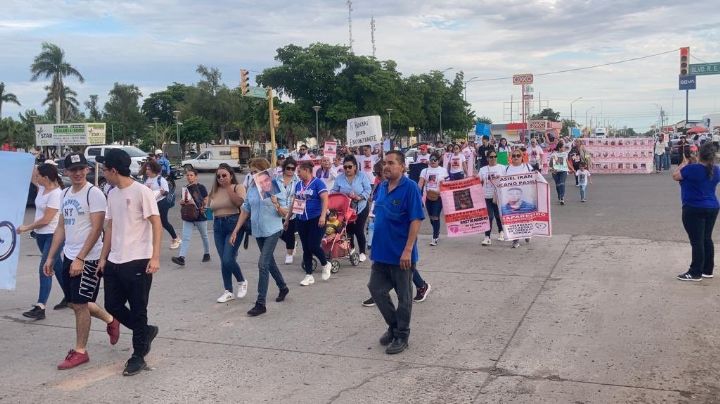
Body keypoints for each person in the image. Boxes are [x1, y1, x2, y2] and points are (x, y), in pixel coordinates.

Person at [42, 153, 120, 369]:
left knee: (79, 304)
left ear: (87, 170)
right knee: (76, 302)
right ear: (65, 172)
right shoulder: (65, 193)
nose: (77, 173)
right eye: (72, 169)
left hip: (89, 258)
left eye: (81, 169)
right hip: (69, 255)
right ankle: (111, 320)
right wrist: (50, 257)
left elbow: (97, 230)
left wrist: (80, 258)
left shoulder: (93, 194)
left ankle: (80, 351)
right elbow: (61, 227)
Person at [97, 148, 161, 377]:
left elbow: (156, 224)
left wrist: (155, 257)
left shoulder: (141, 191)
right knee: (112, 305)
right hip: (115, 259)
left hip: (138, 260)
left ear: (114, 170)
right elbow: (110, 227)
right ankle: (145, 331)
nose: (103, 173)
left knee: (138, 308)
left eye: (104, 169)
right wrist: (103, 257)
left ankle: (138, 355)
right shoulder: (112, 193)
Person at [368, 150, 425, 355]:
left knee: (404, 297)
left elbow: (416, 219)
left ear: (402, 166)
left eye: (391, 163)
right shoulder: (382, 186)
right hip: (381, 252)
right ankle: (393, 326)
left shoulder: (410, 188)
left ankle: (402, 334)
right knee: (376, 289)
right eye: (385, 163)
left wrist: (408, 250)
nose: (386, 166)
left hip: (401, 254)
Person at [230, 158, 289, 316]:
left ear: (264, 171)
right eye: (251, 172)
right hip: (258, 230)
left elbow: (285, 212)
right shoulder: (252, 188)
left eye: (255, 171)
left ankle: (260, 303)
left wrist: (276, 203)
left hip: (273, 229)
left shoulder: (275, 186)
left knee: (263, 264)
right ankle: (283, 287)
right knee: (269, 263)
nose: (253, 175)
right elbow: (245, 210)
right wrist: (236, 230)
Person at [17, 163, 65, 320]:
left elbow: (46, 219)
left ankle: (40, 306)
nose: (36, 178)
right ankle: (71, 296)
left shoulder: (56, 194)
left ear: (45, 178)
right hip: (41, 236)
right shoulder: (42, 188)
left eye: (39, 176)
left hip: (53, 236)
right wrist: (30, 160)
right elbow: (32, 174)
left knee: (45, 268)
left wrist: (26, 227)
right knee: (56, 266)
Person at [673, 142, 720, 281]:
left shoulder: (691, 168)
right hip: (712, 207)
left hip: (693, 208)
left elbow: (675, 176)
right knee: (706, 238)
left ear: (699, 154)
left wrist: (684, 162)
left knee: (697, 241)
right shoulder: (716, 170)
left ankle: (695, 272)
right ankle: (707, 269)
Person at [285, 160, 332, 285]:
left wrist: (323, 216)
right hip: (302, 219)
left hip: (316, 218)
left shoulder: (318, 183)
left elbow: (325, 200)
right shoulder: (298, 185)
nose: (298, 174)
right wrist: (288, 218)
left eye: (299, 171)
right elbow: (294, 203)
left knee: (313, 245)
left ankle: (325, 263)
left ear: (307, 171)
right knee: (306, 248)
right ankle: (309, 275)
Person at [208, 163, 248, 303]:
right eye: (218, 176)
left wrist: (228, 187)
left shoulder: (238, 187)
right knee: (224, 261)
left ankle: (241, 281)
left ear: (231, 175)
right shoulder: (214, 190)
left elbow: (239, 203)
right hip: (218, 225)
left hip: (234, 224)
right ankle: (228, 291)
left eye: (224, 175)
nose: (221, 178)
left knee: (227, 258)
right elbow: (210, 209)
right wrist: (204, 210)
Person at [331, 155, 372, 262]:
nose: (347, 169)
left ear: (355, 167)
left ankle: (362, 252)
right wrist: (341, 196)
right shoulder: (339, 178)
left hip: (361, 207)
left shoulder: (362, 176)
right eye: (345, 167)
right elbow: (334, 191)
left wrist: (359, 197)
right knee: (348, 230)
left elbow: (368, 190)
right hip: (345, 209)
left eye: (350, 167)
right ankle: (352, 250)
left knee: (359, 230)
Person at [171, 168, 210, 266]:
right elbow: (183, 201)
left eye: (191, 175)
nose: (189, 177)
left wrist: (200, 204)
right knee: (186, 237)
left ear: (196, 176)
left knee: (204, 235)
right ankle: (182, 258)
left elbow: (206, 199)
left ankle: (207, 253)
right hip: (188, 215)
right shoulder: (185, 188)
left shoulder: (201, 187)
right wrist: (182, 202)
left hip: (200, 215)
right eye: (187, 175)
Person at [144, 160, 181, 249]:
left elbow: (166, 192)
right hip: (152, 203)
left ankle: (175, 238)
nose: (147, 171)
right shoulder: (147, 179)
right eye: (146, 169)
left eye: (148, 169)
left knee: (164, 222)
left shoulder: (161, 179)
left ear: (153, 170)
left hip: (162, 203)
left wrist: (162, 192)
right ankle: (148, 243)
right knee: (149, 222)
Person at [417, 153, 448, 246]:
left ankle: (434, 237)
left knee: (435, 216)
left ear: (439, 160)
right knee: (431, 218)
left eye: (435, 159)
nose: (433, 161)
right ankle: (437, 231)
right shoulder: (424, 171)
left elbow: (446, 183)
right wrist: (416, 193)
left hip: (438, 196)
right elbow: (420, 183)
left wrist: (441, 190)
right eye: (431, 159)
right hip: (427, 196)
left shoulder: (443, 170)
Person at [479, 151, 506, 245]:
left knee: (498, 215)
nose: (493, 158)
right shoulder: (483, 169)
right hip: (486, 196)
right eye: (491, 157)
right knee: (489, 216)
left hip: (498, 196)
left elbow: (509, 179)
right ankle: (487, 237)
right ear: (487, 158)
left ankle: (501, 232)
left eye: (495, 156)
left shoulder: (502, 167)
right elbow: (479, 181)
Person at [278, 157, 299, 264]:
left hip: (292, 211)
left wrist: (294, 209)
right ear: (284, 168)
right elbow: (273, 194)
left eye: (293, 168)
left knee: (289, 232)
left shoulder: (298, 180)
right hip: (279, 210)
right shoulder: (277, 180)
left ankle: (289, 253)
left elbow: (299, 196)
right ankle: (292, 243)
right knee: (279, 233)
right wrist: (278, 207)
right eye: (288, 168)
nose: (290, 170)